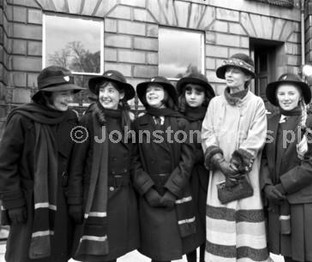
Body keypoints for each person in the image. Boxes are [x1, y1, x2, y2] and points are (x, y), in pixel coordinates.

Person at [0, 66, 85, 262]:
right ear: (47, 94)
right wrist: (13, 202)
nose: (69, 99)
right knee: (26, 255)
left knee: (57, 254)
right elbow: (6, 165)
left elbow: (78, 157)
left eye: (70, 93)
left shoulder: (72, 119)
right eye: (63, 94)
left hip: (61, 202)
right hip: (30, 203)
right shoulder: (21, 118)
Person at [201, 53, 271, 262]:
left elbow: (257, 136)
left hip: (246, 174)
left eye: (235, 71)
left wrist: (236, 165)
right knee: (220, 225)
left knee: (247, 230)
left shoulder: (256, 103)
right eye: (227, 71)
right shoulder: (214, 103)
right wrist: (220, 163)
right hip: (220, 174)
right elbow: (207, 133)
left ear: (247, 76)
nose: (230, 75)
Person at [67, 70, 140, 261]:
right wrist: (75, 200)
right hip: (96, 197)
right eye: (102, 91)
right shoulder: (88, 120)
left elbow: (132, 158)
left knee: (112, 251)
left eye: (110, 91)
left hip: (121, 198)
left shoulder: (128, 121)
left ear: (121, 95)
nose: (105, 96)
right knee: (95, 254)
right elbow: (77, 164)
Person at [261, 73, 312, 262]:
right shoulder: (270, 122)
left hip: (302, 199)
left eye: (291, 93)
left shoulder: (311, 122)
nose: (286, 98)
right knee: (288, 255)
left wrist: (283, 186)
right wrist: (266, 186)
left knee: (305, 256)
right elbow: (264, 159)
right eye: (281, 93)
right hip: (277, 198)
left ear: (300, 95)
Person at [132, 76, 196, 262]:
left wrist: (172, 190)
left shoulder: (181, 123)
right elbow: (133, 161)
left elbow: (187, 161)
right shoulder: (138, 124)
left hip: (173, 193)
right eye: (148, 90)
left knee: (168, 250)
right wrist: (147, 190)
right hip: (150, 194)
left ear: (166, 95)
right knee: (156, 250)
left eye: (157, 89)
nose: (151, 93)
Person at [176, 73, 215, 262]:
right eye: (188, 92)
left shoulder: (212, 116)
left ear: (205, 96)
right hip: (185, 177)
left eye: (198, 92)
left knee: (207, 223)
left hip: (207, 176)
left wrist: (198, 155)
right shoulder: (176, 117)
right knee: (189, 222)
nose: (192, 96)